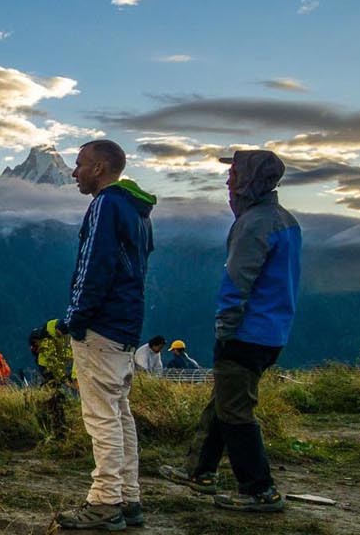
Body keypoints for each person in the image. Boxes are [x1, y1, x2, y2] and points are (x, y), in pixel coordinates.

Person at [162, 150, 301, 513]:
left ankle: (259, 489)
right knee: (224, 402)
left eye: (235, 174)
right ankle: (200, 470)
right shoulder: (286, 221)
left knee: (236, 412)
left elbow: (237, 280)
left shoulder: (254, 223)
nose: (228, 181)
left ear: (251, 180)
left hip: (245, 332)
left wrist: (224, 328)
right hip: (273, 331)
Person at [44, 139, 156, 531]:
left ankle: (105, 502)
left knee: (101, 416)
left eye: (79, 165)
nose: (74, 173)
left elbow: (95, 267)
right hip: (126, 325)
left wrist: (76, 318)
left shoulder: (106, 205)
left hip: (101, 326)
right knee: (119, 413)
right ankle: (128, 497)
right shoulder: (138, 211)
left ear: (99, 168)